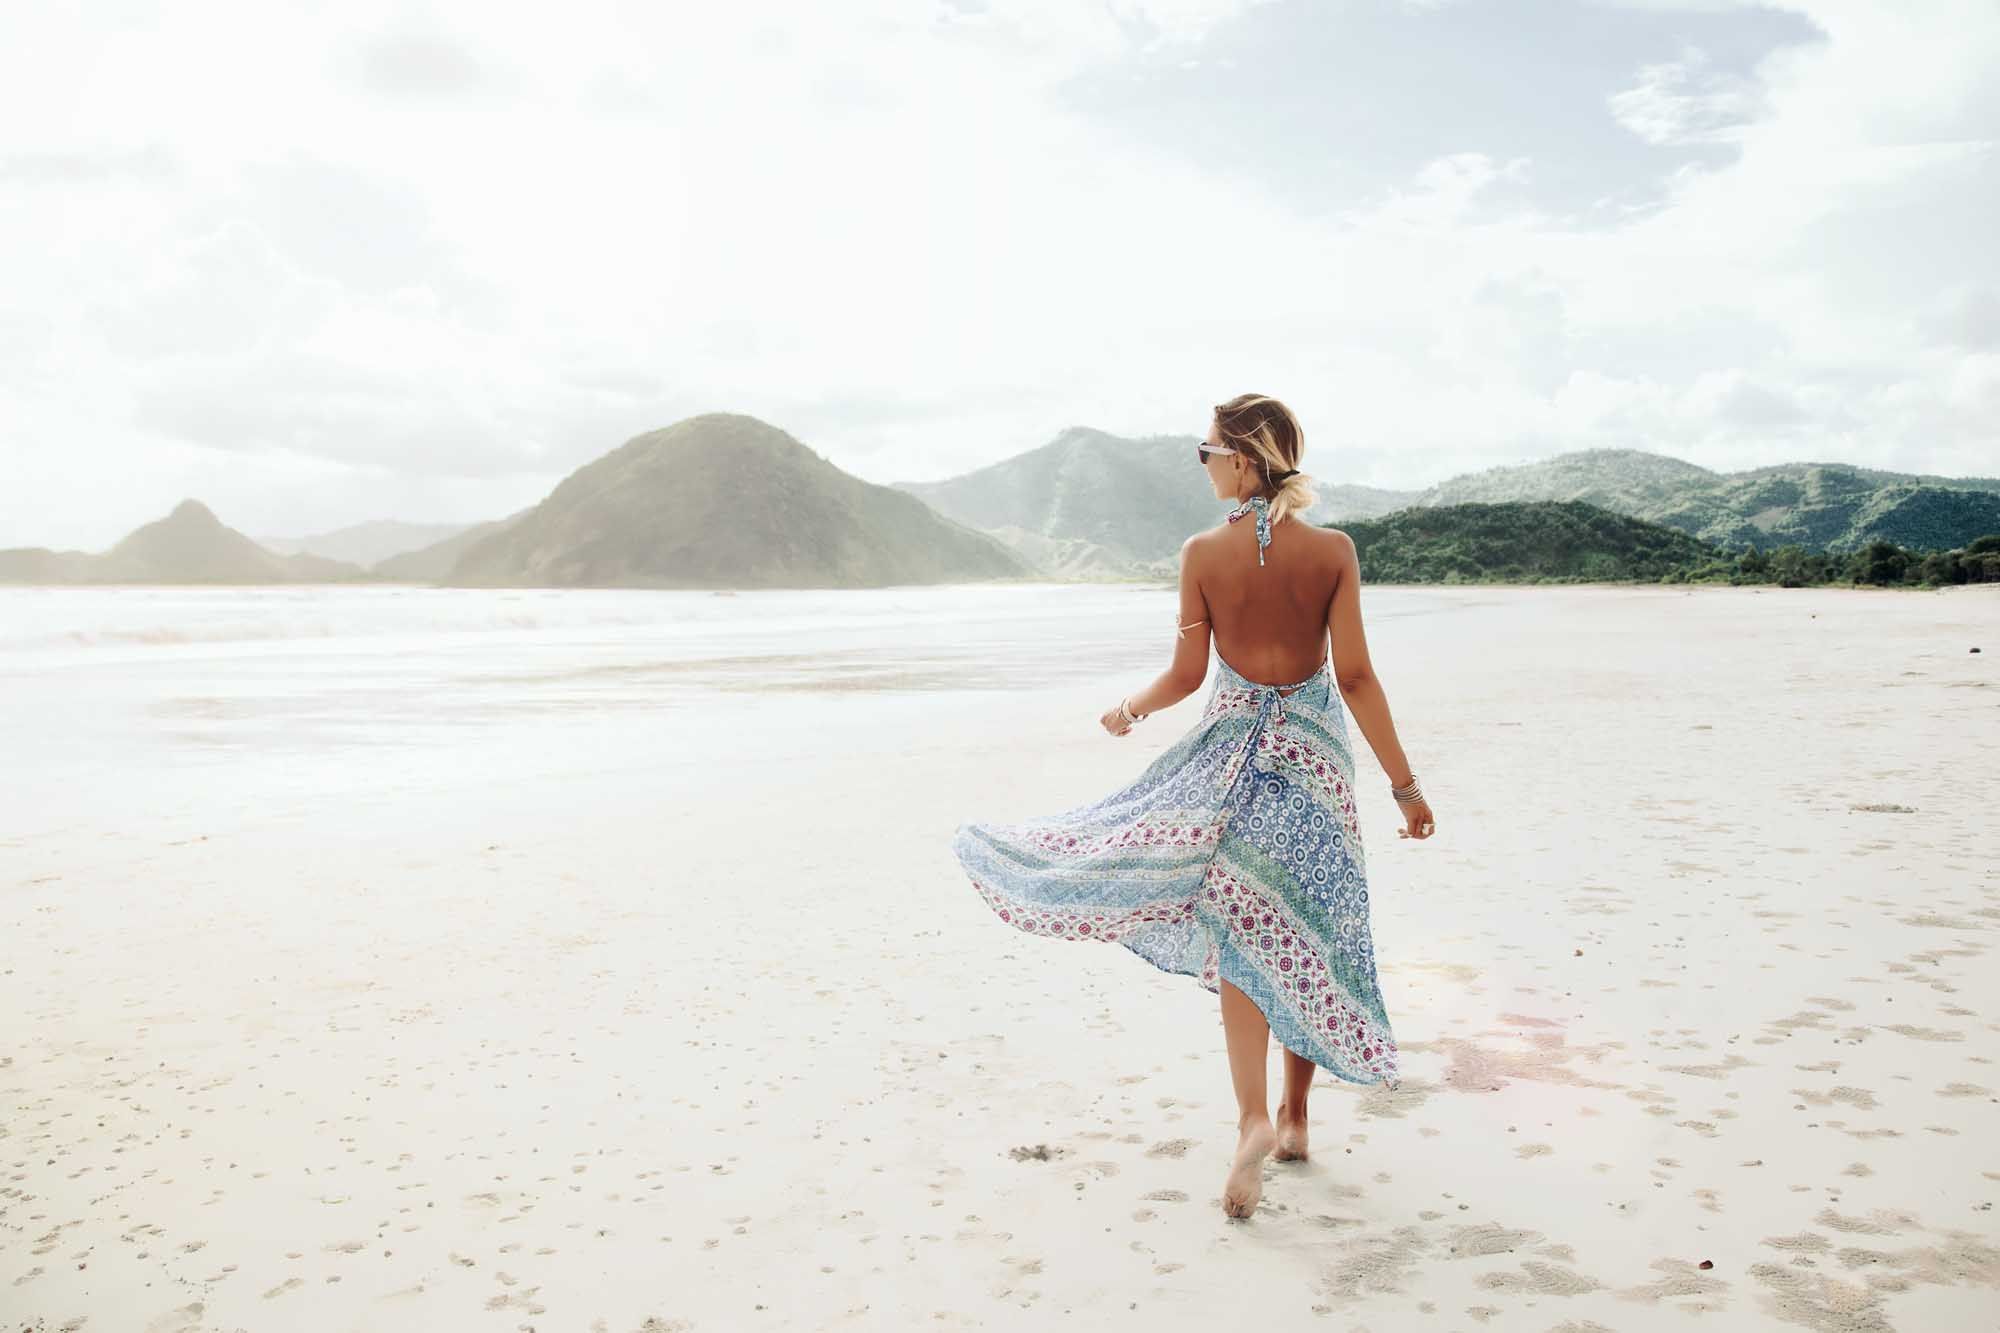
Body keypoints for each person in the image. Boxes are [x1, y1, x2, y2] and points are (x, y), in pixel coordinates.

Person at [950, 392, 1436, 1220]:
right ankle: (1295, 1119)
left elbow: (1185, 676)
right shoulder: (1333, 552)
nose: (1203, 463)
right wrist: (1405, 785)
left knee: (1245, 937)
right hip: (1311, 767)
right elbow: (1353, 676)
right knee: (1305, 927)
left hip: (1227, 764)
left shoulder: (1202, 554)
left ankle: (1250, 1116)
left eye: (1207, 450)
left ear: (1244, 458)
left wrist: (1131, 709)